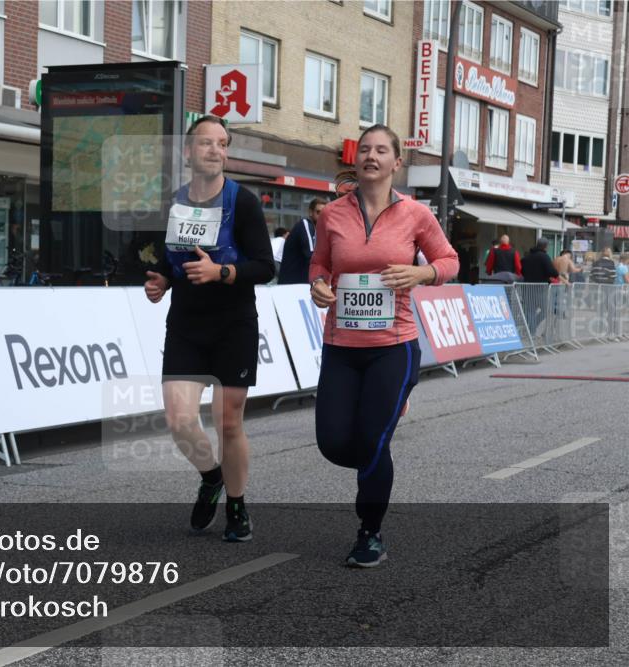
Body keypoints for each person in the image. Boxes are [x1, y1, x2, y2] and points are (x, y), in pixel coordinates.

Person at [309, 124, 459, 567]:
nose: (371, 157)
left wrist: (421, 274)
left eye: (382, 151)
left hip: (393, 346)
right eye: (365, 150)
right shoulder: (332, 214)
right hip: (341, 344)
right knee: (334, 442)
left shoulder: (415, 214)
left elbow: (449, 260)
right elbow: (320, 261)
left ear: (397, 162)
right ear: (356, 161)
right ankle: (378, 451)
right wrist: (318, 283)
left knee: (373, 441)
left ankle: (370, 532)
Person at [144, 115, 274, 542]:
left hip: (233, 324)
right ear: (188, 152)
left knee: (228, 423)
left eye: (222, 144)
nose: (215, 150)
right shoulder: (174, 201)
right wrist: (162, 279)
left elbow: (264, 267)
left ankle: (237, 505)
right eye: (206, 143)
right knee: (179, 419)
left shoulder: (244, 202)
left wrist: (222, 272)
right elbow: (170, 258)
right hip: (185, 323)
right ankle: (212, 475)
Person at [278, 197, 325, 284]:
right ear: (310, 212)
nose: (322, 217)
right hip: (291, 286)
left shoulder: (316, 232)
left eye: (324, 214)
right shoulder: (305, 224)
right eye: (318, 212)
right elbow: (311, 257)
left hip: (298, 285)